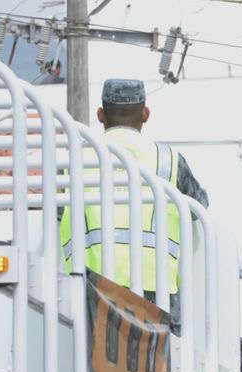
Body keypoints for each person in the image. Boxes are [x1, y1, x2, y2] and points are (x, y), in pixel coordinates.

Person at [59, 79, 208, 313]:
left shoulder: (74, 158)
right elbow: (199, 207)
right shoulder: (168, 159)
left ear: (100, 115)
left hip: (90, 288)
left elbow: (58, 212)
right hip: (156, 292)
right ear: (146, 114)